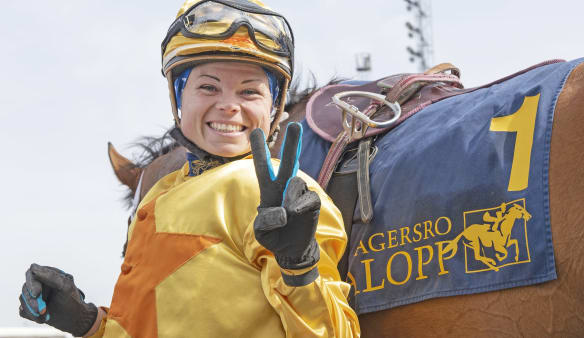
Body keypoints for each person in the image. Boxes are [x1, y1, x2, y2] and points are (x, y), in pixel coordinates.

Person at [18, 0, 360, 337]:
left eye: (249, 91)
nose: (228, 105)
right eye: (208, 87)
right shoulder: (161, 192)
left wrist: (300, 268)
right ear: (179, 99)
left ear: (273, 109)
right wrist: (89, 324)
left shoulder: (282, 194)